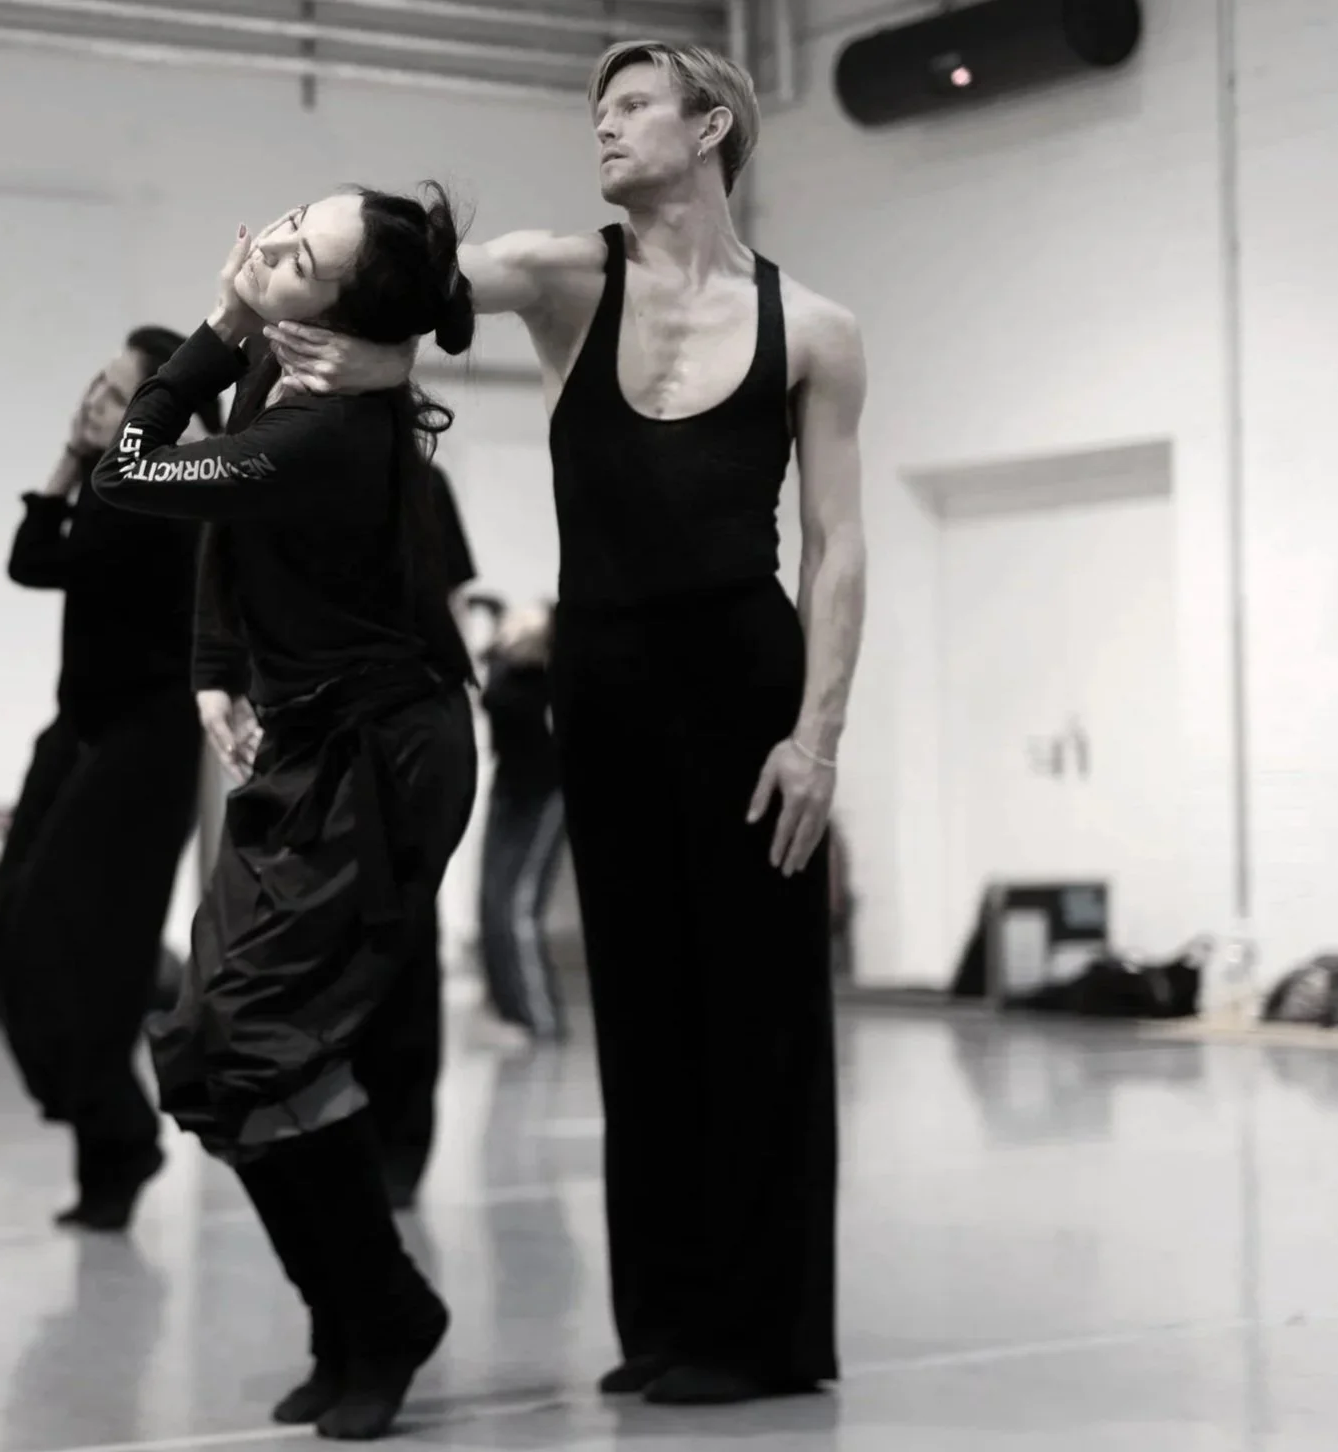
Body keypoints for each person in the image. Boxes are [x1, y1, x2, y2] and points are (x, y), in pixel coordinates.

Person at [262, 40, 869, 1407]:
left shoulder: (815, 329)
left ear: (712, 123)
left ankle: (764, 1337)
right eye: (595, 110)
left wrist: (817, 734)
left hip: (744, 676)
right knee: (643, 1007)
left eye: (634, 105)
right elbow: (416, 282)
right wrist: (299, 266)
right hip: (601, 675)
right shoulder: (558, 275)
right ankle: (662, 1321)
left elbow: (836, 544)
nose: (604, 128)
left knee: (759, 1010)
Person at [92, 182, 479, 1442]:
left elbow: (132, 470)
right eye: (281, 224)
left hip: (378, 764)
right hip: (308, 748)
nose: (263, 246)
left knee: (263, 1039)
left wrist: (210, 327)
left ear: (338, 309)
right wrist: (217, 666)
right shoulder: (296, 391)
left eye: (296, 252)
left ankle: (383, 1313)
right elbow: (225, 536)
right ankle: (350, 1317)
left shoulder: (327, 428)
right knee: (209, 1047)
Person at [0, 328, 214, 1233]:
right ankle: (107, 1133)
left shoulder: (157, 497)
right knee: (13, 916)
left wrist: (103, 458)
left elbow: (53, 558)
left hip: (147, 741)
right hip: (78, 729)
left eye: (117, 396)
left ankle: (114, 1143)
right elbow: (29, 562)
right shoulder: (111, 481)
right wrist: (72, 455)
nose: (93, 402)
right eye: (97, 384)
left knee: (92, 952)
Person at [356, 459, 478, 1212]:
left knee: (401, 935)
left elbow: (453, 601)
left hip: (406, 723)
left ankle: (398, 1148)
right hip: (318, 724)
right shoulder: (286, 461)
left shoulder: (421, 483)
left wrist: (445, 713)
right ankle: (334, 1136)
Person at [474, 600, 566, 1040]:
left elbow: (501, 693)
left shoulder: (541, 670)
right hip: (509, 790)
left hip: (545, 792)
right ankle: (510, 1013)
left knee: (518, 908)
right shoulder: (504, 666)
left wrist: (519, 635)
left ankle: (541, 1021)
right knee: (492, 903)